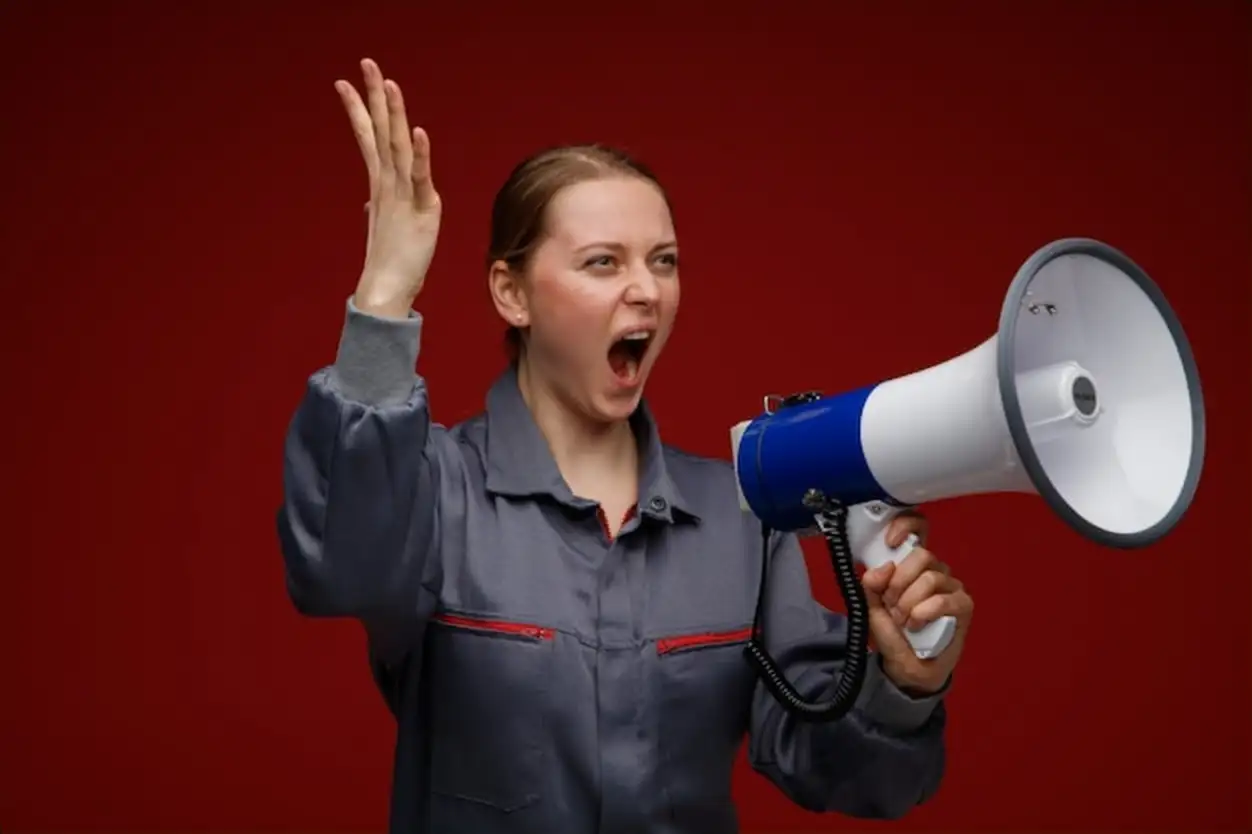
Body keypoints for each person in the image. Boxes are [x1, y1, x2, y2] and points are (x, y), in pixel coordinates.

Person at [277, 58, 976, 834]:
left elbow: (845, 773)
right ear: (511, 293)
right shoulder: (434, 489)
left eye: (664, 261)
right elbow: (334, 569)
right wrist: (384, 297)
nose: (647, 289)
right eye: (603, 262)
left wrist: (903, 686)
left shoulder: (744, 514)